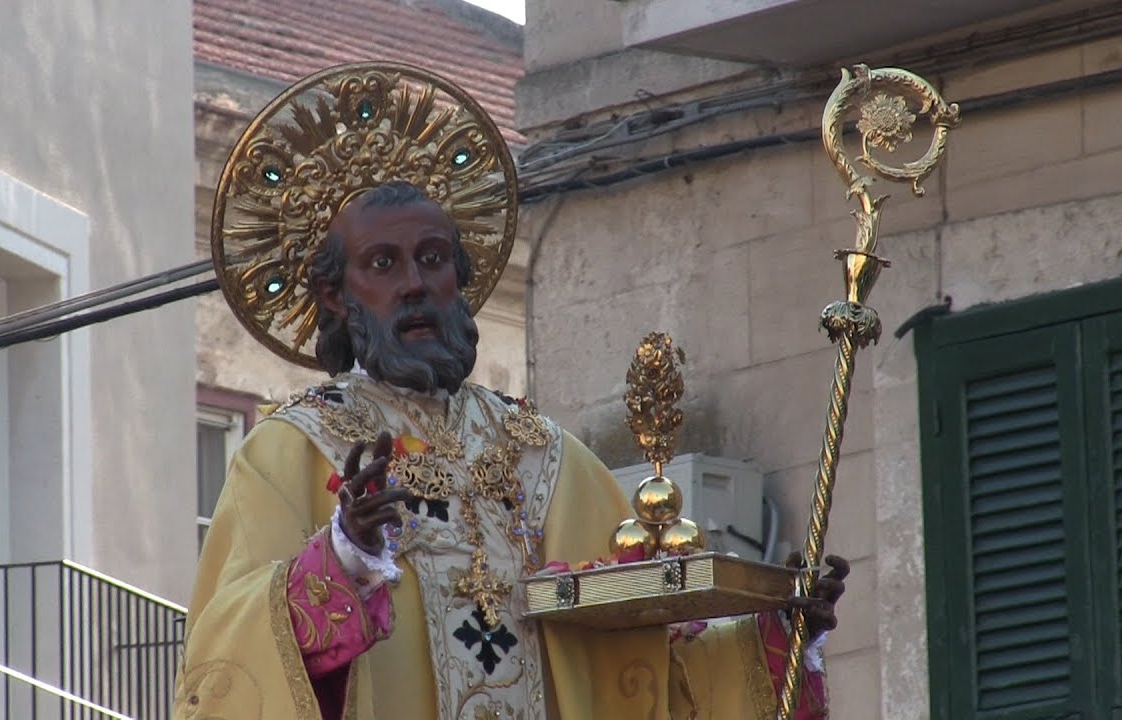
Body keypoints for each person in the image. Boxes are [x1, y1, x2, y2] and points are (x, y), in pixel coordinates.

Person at [176, 64, 844, 720]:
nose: (414, 282)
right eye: (383, 264)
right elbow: (227, 661)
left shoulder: (547, 459)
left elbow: (651, 663)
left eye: (433, 259)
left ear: (460, 279)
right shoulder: (289, 453)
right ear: (336, 293)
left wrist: (781, 634)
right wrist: (342, 556)